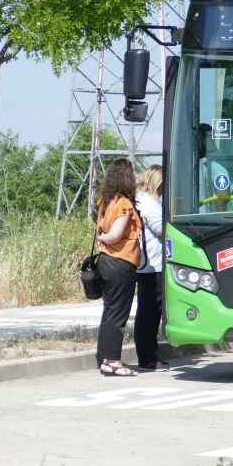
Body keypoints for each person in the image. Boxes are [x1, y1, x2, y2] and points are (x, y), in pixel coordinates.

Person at [95, 159, 144, 377]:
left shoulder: (105, 202)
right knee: (118, 314)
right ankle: (113, 361)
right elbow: (115, 234)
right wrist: (105, 237)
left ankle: (104, 358)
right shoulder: (124, 204)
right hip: (120, 262)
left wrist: (101, 238)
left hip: (105, 262)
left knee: (109, 311)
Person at [134, 165, 166, 371]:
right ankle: (147, 357)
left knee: (148, 312)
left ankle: (150, 354)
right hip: (152, 265)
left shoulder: (140, 198)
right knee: (149, 313)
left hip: (146, 264)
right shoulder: (149, 202)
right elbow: (162, 229)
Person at [197, 122, 233, 212]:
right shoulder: (212, 167)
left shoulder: (214, 166)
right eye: (210, 137)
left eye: (213, 137)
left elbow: (221, 199)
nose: (213, 141)